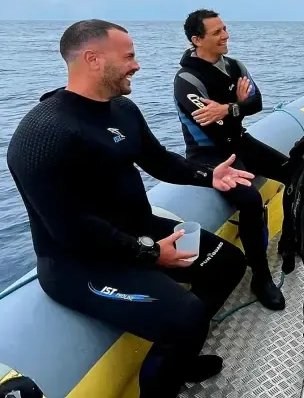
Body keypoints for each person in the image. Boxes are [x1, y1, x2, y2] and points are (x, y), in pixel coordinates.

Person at [6, 20, 251, 398]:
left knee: (229, 265)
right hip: (79, 262)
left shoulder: (122, 109)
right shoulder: (43, 134)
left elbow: (158, 160)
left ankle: (179, 354)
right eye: (129, 57)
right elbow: (70, 229)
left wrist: (209, 175)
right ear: (93, 59)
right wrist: (152, 254)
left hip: (138, 230)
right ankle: (162, 382)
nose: (137, 65)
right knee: (185, 315)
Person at [173, 9, 288, 310]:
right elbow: (211, 126)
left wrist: (228, 108)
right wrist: (238, 104)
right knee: (249, 200)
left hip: (240, 141)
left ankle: (291, 237)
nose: (226, 36)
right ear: (197, 40)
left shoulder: (235, 65)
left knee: (297, 170)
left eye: (225, 29)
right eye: (217, 32)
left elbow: (257, 102)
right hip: (208, 153)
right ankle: (260, 277)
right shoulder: (187, 79)